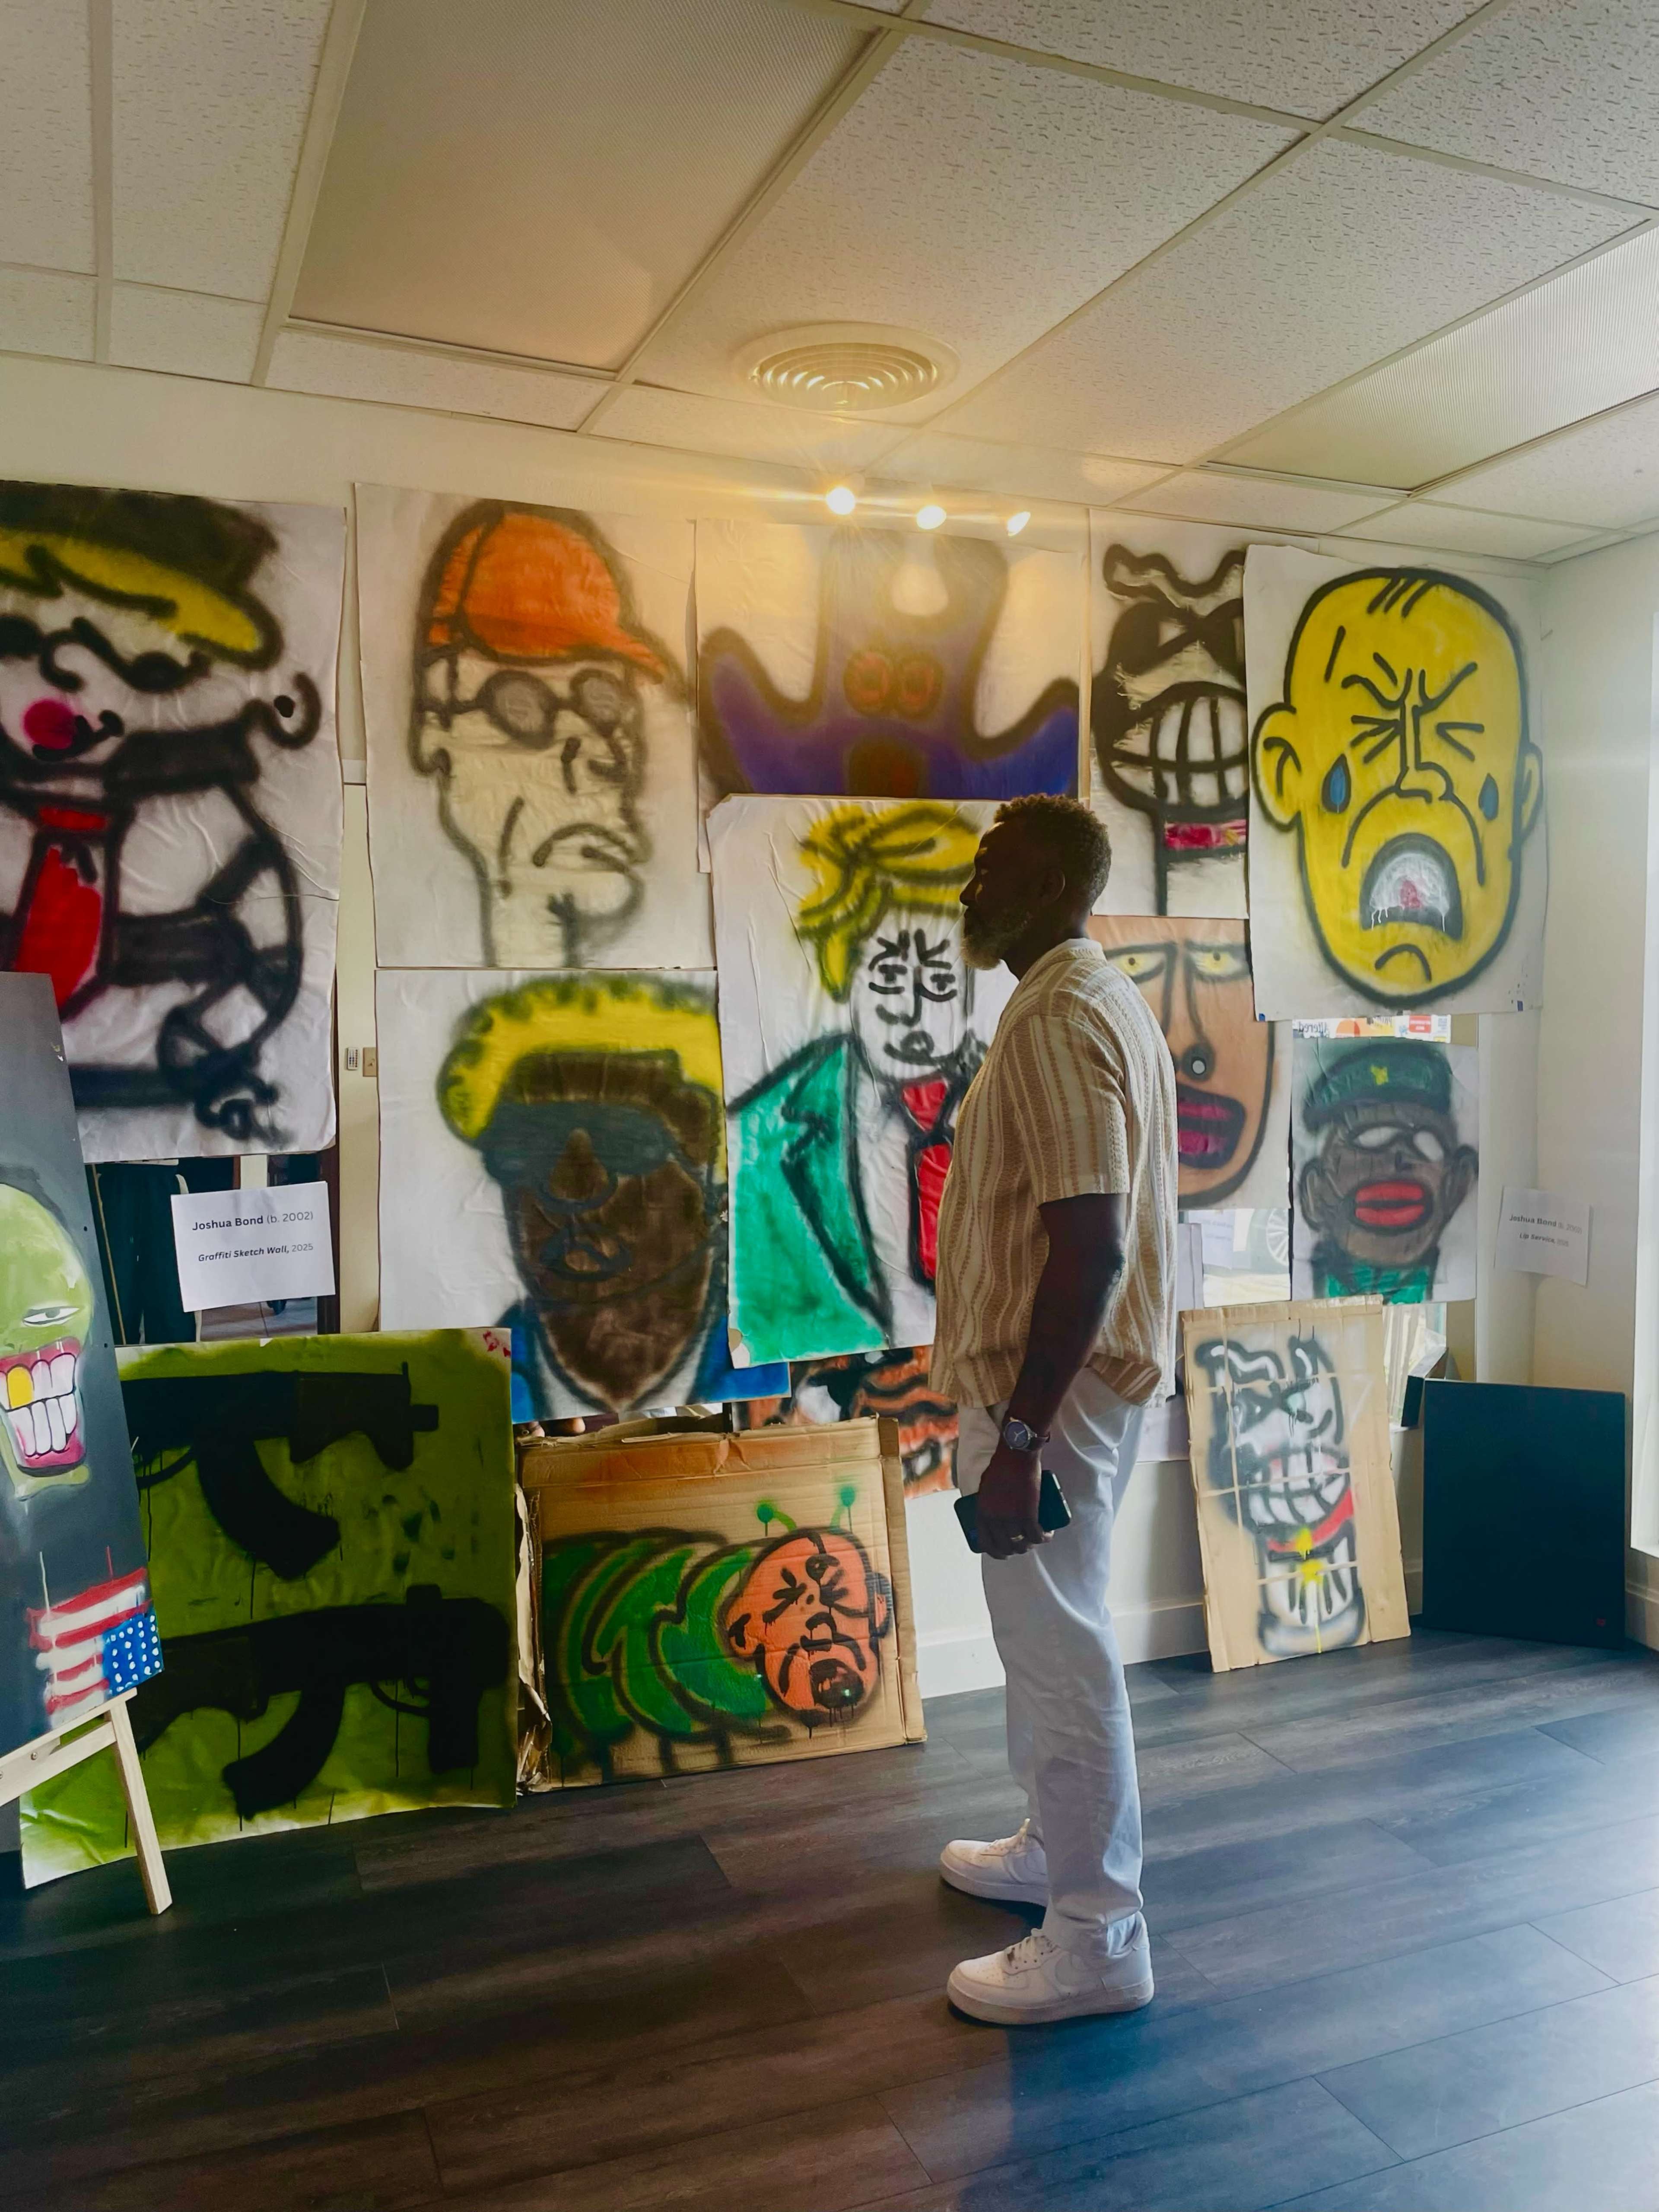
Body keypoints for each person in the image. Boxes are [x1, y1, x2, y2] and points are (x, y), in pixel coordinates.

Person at [929, 792, 1178, 2026]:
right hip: (1060, 1385)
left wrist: (1021, 1439)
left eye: (994, 872)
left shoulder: (1060, 1015)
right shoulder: (1087, 996)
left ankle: (1096, 1930)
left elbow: (1091, 1246)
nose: (971, 892)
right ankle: (1054, 1852)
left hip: (1054, 1393)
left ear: (1052, 889)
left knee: (1061, 1642)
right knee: (1044, 1634)